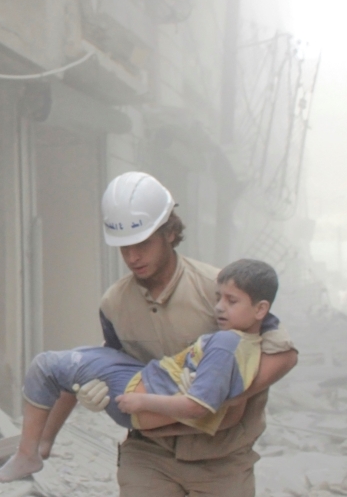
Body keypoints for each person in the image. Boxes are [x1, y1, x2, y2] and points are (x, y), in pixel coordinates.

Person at [61, 171, 297, 497]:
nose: (132, 257)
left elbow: (285, 353)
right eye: (124, 247)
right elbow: (116, 362)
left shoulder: (220, 289)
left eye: (142, 243)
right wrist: (96, 389)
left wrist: (221, 396)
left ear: (170, 232)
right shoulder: (113, 304)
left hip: (220, 458)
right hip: (149, 454)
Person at [0, 259, 278, 482]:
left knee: (45, 365)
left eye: (231, 301)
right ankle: (40, 445)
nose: (219, 308)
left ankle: (29, 452)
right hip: (145, 380)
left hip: (137, 392)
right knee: (82, 359)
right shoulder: (249, 344)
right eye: (218, 298)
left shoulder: (227, 343)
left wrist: (140, 401)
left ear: (260, 309)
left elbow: (198, 406)